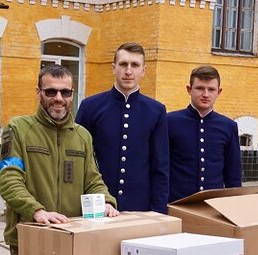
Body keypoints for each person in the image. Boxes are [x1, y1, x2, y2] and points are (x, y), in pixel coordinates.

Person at [0, 64, 119, 255]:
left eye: (65, 92)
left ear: (72, 95)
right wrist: (36, 211)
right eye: (50, 91)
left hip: (72, 243)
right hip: (30, 243)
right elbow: (9, 178)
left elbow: (93, 178)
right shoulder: (18, 129)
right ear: (38, 93)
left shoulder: (82, 137)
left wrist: (105, 200)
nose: (58, 98)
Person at [76, 42, 169, 213]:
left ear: (143, 70)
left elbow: (160, 167)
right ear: (113, 68)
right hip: (98, 205)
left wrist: (158, 212)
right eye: (123, 64)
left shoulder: (156, 110)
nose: (128, 71)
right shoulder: (90, 107)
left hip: (140, 207)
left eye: (135, 65)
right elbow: (79, 159)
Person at [167, 66, 242, 202]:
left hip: (213, 204)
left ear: (219, 92)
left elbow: (233, 174)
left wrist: (235, 205)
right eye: (200, 88)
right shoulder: (170, 122)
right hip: (177, 202)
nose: (206, 94)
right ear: (189, 89)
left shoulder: (228, 126)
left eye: (211, 89)